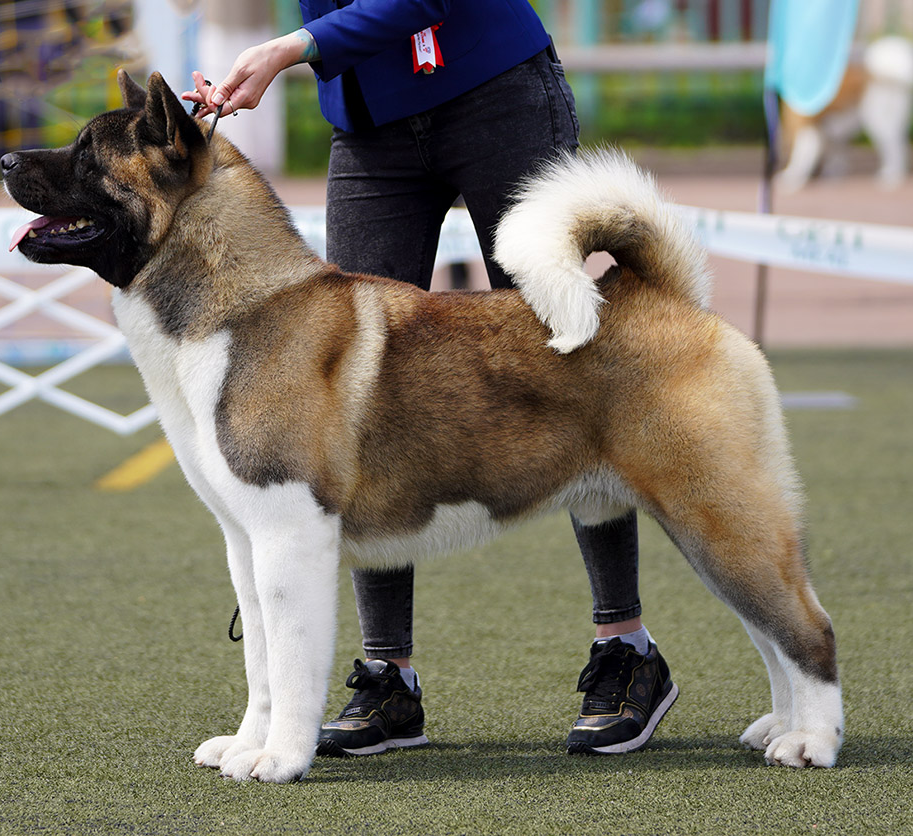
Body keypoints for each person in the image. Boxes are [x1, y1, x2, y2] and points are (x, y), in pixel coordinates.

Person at [184, 0, 678, 759]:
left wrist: (288, 48)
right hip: (371, 121)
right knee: (364, 398)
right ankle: (389, 678)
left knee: (569, 363)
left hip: (493, 90)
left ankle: (627, 647)